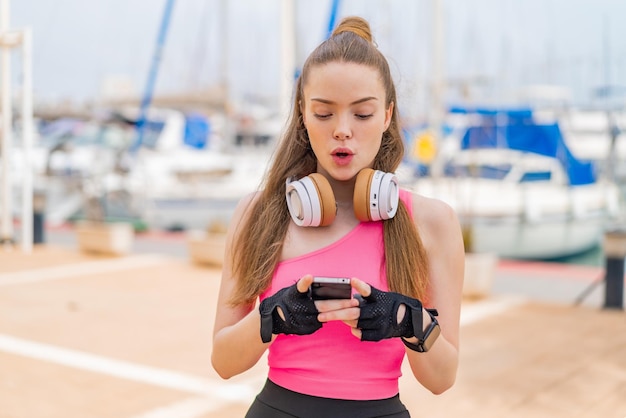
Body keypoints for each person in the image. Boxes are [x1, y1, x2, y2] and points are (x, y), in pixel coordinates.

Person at [211, 15, 464, 418]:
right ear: (302, 114)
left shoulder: (433, 222)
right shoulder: (257, 213)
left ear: (386, 116)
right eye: (324, 113)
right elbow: (224, 361)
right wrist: (272, 316)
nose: (342, 130)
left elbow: (441, 379)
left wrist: (406, 319)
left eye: (362, 114)